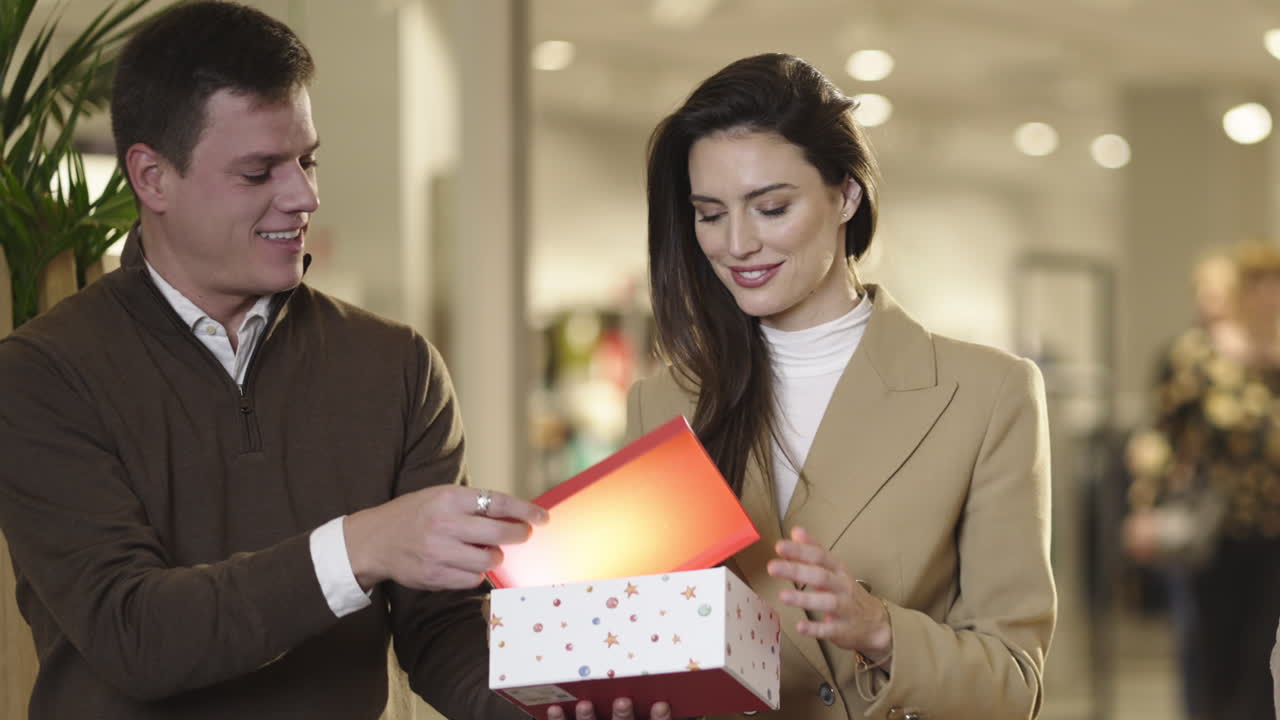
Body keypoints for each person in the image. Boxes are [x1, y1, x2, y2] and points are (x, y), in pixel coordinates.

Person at [0, 4, 647, 719]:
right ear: (152, 178)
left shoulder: (399, 366)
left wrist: (550, 705)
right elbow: (134, 634)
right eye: (259, 172)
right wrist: (360, 545)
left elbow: (441, 630)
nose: (305, 196)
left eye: (307, 159)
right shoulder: (40, 375)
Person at [624, 53, 1056, 719]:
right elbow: (652, 641)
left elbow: (1014, 686)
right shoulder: (664, 402)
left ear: (847, 194)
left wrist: (880, 630)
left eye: (770, 207)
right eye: (710, 214)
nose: (736, 244)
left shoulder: (987, 394)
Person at [1125, 242, 1280, 719]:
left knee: (1265, 658)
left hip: (1275, 532)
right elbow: (1160, 435)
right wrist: (1146, 508)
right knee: (1212, 653)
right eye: (1256, 286)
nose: (1267, 296)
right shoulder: (1199, 355)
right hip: (1215, 531)